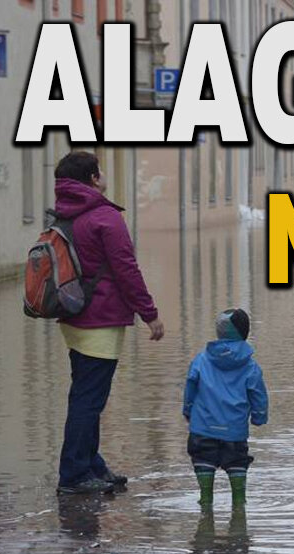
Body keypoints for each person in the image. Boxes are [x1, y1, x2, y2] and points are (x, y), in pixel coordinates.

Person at [53, 151, 164, 494]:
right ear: (92, 179)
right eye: (99, 170)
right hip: (99, 321)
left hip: (73, 316)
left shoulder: (65, 214)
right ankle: (74, 474)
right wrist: (150, 314)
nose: (103, 174)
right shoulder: (103, 217)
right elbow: (126, 269)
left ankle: (90, 464)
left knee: (86, 395)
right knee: (88, 400)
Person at [183, 309, 269, 506]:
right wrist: (259, 417)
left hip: (202, 429)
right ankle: (239, 511)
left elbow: (190, 387)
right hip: (235, 432)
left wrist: (187, 411)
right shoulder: (250, 366)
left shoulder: (201, 360)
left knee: (203, 467)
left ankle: (206, 507)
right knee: (237, 468)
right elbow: (258, 395)